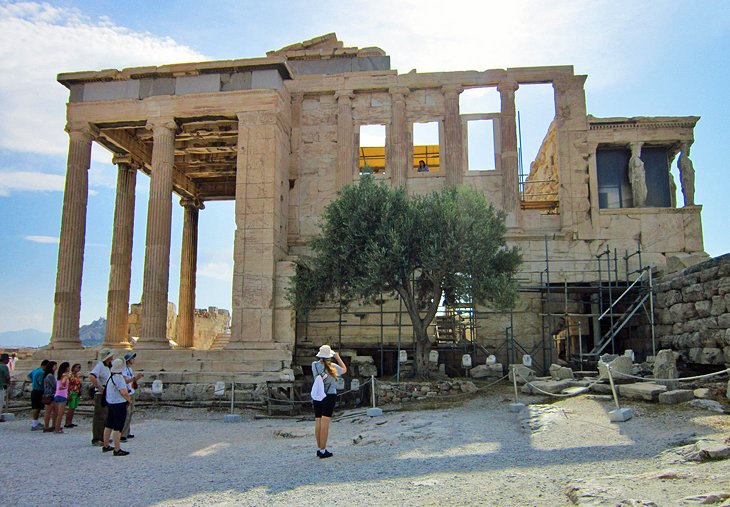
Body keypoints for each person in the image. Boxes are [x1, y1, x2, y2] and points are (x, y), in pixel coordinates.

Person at [311, 344, 347, 459]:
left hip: (318, 395)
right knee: (325, 422)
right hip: (329, 394)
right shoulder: (333, 367)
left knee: (318, 421)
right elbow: (344, 370)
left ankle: (319, 448)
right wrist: (338, 357)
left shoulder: (314, 365)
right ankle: (323, 449)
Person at [101, 358, 132, 456]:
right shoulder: (119, 377)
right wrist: (129, 400)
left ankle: (106, 445)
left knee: (109, 425)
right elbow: (123, 392)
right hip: (119, 404)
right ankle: (117, 449)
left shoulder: (110, 376)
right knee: (118, 427)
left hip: (111, 403)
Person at [88, 349, 114, 446]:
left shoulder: (108, 366)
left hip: (108, 393)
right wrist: (99, 387)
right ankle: (97, 438)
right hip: (100, 394)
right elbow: (91, 376)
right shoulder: (100, 365)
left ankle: (104, 437)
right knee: (99, 416)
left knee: (106, 415)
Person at [121, 352, 143, 442]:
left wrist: (138, 378)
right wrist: (135, 378)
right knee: (126, 413)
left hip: (132, 392)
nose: (134, 360)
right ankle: (122, 434)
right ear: (128, 360)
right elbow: (124, 381)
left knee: (130, 413)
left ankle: (127, 432)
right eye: (132, 358)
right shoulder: (123, 370)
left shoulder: (130, 369)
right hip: (127, 393)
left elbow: (132, 381)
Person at [27, 359, 48, 431]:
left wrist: (33, 382)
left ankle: (35, 422)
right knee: (37, 408)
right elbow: (41, 382)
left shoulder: (36, 370)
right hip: (39, 391)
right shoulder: (42, 373)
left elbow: (28, 376)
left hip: (34, 390)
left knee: (36, 407)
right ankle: (34, 424)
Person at [53, 362, 70, 433]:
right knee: (60, 414)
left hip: (56, 395)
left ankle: (56, 427)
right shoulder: (65, 376)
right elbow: (62, 384)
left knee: (56, 414)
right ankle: (57, 429)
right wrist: (64, 387)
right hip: (62, 396)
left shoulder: (59, 375)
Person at [64, 363, 82, 428]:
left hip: (76, 392)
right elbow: (68, 385)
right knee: (70, 408)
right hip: (71, 392)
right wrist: (68, 394)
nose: (78, 368)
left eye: (79, 367)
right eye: (77, 367)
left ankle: (70, 422)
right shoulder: (70, 375)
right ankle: (67, 423)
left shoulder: (77, 375)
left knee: (73, 408)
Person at [42, 361, 57, 432]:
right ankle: (47, 426)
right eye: (55, 366)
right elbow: (54, 386)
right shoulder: (50, 376)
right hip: (50, 395)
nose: (56, 367)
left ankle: (48, 426)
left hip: (47, 394)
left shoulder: (47, 375)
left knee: (50, 411)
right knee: (50, 411)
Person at [0, 353, 9, 422]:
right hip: (0, 386)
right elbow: (7, 377)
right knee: (0, 402)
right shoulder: (4, 366)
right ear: (5, 360)